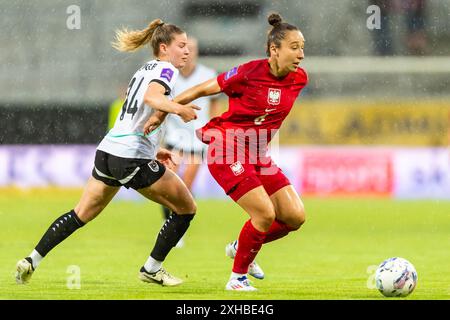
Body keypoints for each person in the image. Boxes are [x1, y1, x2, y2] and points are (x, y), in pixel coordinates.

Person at [15, 19, 201, 287]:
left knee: (81, 213)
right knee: (186, 208)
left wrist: (154, 148)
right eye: (181, 45)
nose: (186, 51)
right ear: (164, 47)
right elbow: (151, 99)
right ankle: (152, 268)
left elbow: (134, 116)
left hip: (109, 152)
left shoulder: (143, 69)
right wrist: (179, 108)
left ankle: (31, 260)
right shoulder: (166, 70)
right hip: (129, 156)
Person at [144, 13, 308, 291]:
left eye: (303, 47)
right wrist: (162, 112)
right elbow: (200, 89)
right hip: (226, 148)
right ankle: (237, 279)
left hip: (258, 154)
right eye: (294, 47)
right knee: (265, 215)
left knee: (294, 216)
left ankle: (241, 247)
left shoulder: (299, 78)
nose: (301, 54)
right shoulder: (248, 73)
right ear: (274, 50)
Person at [160, 37, 220, 247]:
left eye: (192, 48)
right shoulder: (169, 75)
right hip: (174, 137)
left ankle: (177, 227)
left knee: (186, 186)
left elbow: (214, 104)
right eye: (184, 47)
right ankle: (168, 223)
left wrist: (213, 131)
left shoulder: (208, 74)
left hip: (197, 139)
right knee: (169, 184)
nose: (188, 52)